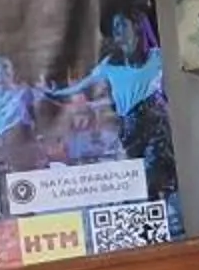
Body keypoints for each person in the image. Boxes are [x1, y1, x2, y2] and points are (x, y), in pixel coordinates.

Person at [59, 13, 170, 185]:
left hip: (153, 122)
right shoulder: (110, 65)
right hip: (129, 128)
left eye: (122, 25)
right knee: (136, 179)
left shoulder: (157, 57)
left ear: (137, 27)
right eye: (115, 27)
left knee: (151, 174)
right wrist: (53, 94)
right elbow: (81, 86)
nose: (117, 30)